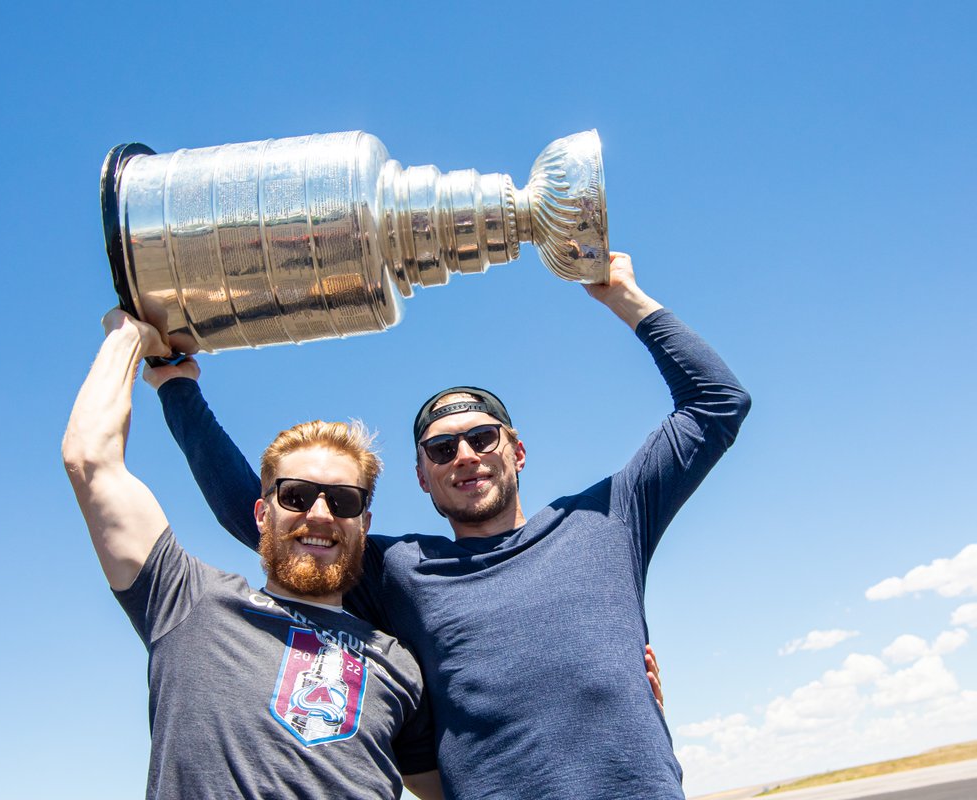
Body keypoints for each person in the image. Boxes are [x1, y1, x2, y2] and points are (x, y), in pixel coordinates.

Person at [153, 252, 747, 798]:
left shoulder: (606, 518)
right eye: (441, 450)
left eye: (482, 437)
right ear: (422, 478)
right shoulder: (402, 571)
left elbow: (718, 403)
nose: (464, 455)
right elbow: (255, 513)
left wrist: (624, 296)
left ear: (515, 450)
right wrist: (179, 387)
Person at [62, 309, 444, 800]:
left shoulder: (400, 665)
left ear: (364, 524)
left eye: (344, 501)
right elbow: (90, 462)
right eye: (296, 496)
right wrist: (130, 336)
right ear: (262, 514)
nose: (321, 515)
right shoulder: (187, 601)